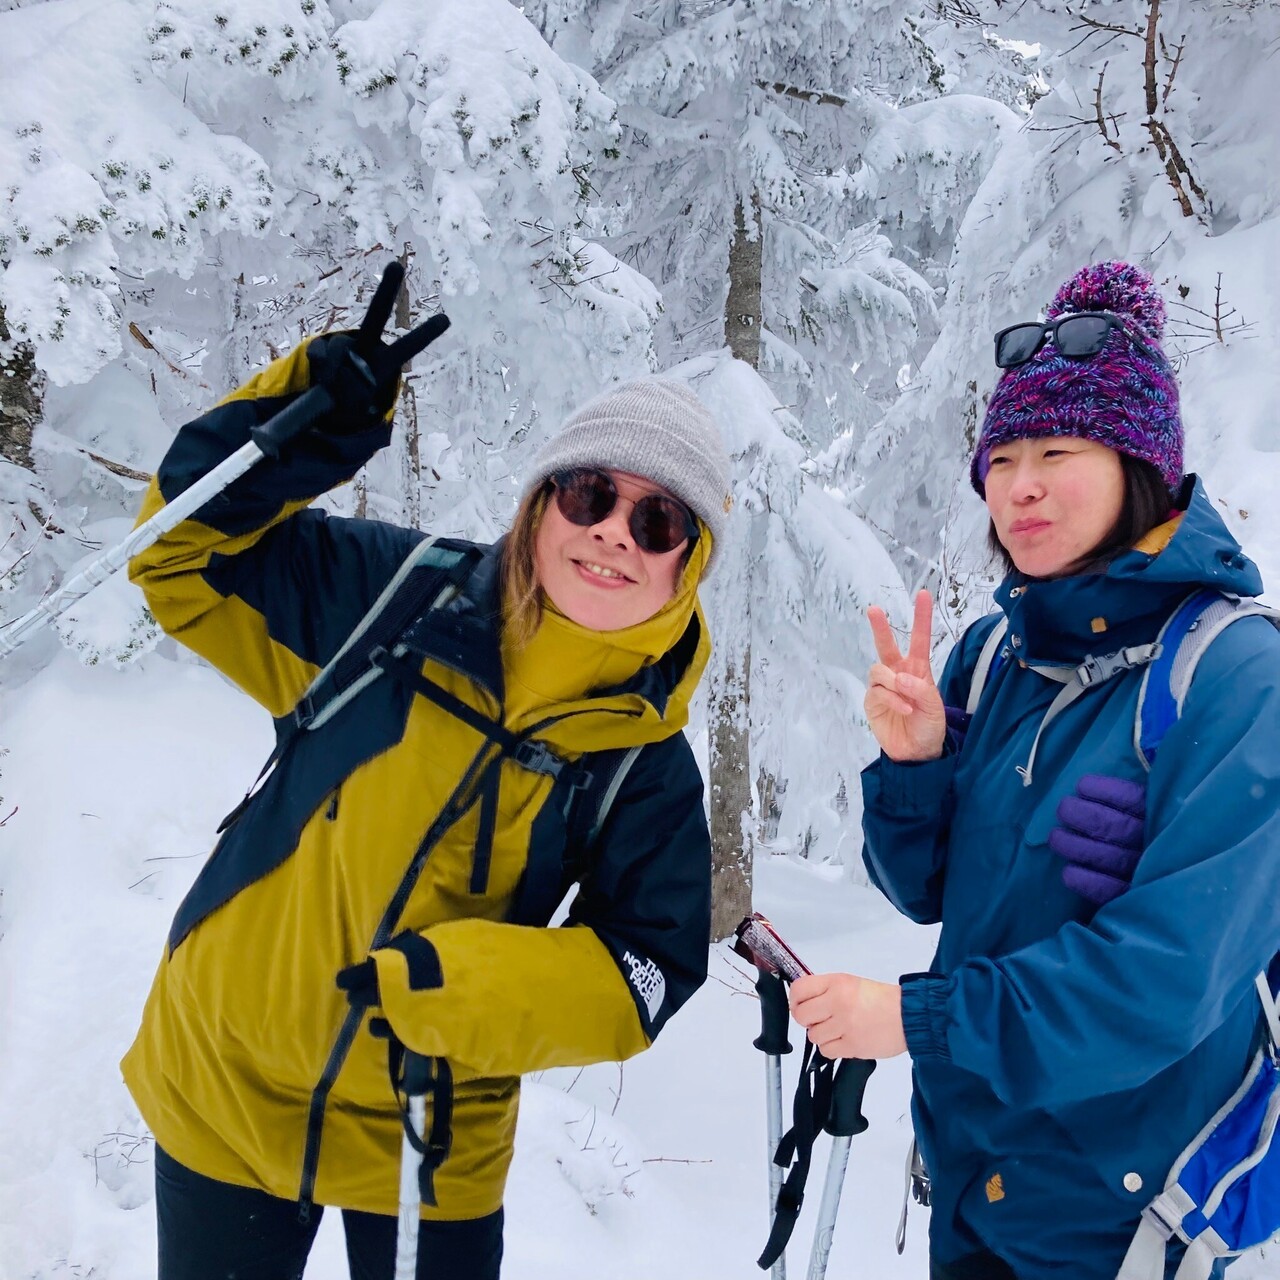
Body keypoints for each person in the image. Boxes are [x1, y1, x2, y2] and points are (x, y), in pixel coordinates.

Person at [122, 267, 731, 1280]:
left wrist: (466, 985)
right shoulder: (393, 598)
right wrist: (304, 418)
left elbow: (645, 971)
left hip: (426, 1134)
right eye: (589, 493)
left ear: (684, 563)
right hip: (220, 1075)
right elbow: (180, 555)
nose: (614, 531)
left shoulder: (641, 760)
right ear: (542, 506)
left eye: (658, 522)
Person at [789, 261, 1280, 1279]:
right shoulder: (996, 653)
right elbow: (921, 891)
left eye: (1056, 449)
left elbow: (1165, 980)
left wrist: (914, 1018)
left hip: (1122, 1205)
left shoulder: (1236, 673)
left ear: (1140, 465)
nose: (1018, 483)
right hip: (977, 1170)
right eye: (1001, 454)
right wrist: (914, 764)